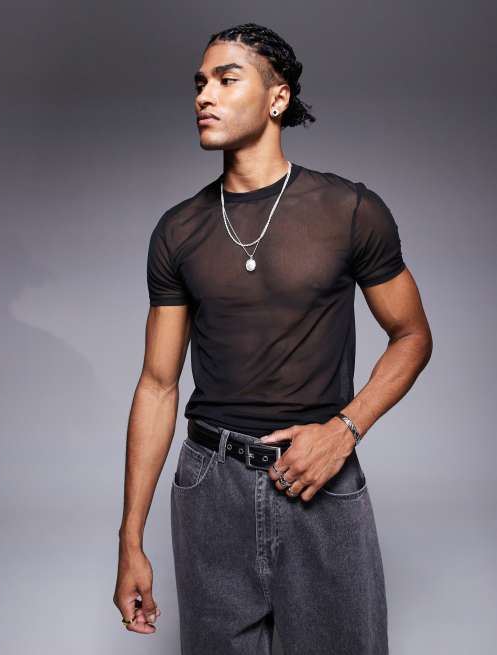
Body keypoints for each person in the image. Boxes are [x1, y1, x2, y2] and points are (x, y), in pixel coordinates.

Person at [113, 22, 433, 655]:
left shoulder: (349, 210)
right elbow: (157, 384)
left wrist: (345, 430)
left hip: (319, 476)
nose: (204, 95)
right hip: (210, 483)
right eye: (200, 83)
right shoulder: (178, 231)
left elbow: (412, 335)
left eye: (227, 80)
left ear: (277, 98)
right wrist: (130, 540)